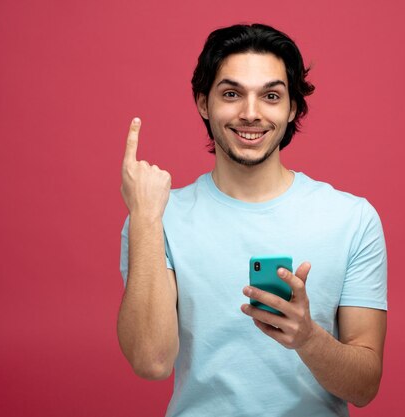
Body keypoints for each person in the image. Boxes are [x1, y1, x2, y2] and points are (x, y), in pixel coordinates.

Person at [118, 23, 387, 417]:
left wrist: (308, 338)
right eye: (231, 94)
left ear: (292, 107)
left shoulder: (352, 219)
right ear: (203, 103)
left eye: (271, 96)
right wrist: (143, 217)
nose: (250, 113)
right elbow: (151, 361)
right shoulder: (156, 217)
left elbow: (365, 387)